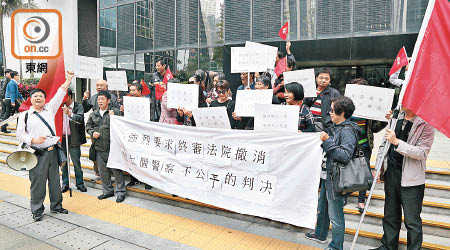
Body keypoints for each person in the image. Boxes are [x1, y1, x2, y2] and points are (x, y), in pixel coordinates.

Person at [371, 107, 434, 250]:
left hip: (411, 178)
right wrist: (379, 167)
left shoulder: (426, 124)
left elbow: (422, 153)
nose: (403, 99)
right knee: (390, 215)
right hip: (391, 173)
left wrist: (397, 142)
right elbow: (384, 145)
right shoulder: (395, 118)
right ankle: (388, 246)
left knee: (412, 221)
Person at [16, 70, 74, 221]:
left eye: (41, 96)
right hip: (36, 154)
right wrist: (33, 140)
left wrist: (68, 80)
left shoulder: (50, 109)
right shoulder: (25, 115)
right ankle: (37, 210)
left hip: (52, 152)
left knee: (55, 181)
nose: (38, 98)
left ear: (45, 99)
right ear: (31, 99)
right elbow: (20, 134)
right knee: (37, 183)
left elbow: (60, 93)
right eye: (35, 96)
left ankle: (56, 206)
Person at [305, 96, 359, 250]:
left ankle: (336, 246)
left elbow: (345, 156)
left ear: (341, 113)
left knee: (336, 216)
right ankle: (320, 234)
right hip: (328, 175)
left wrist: (327, 141)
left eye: (332, 110)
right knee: (323, 207)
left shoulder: (347, 131)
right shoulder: (338, 127)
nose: (329, 113)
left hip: (337, 179)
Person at [348, 78, 387, 213]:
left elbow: (375, 128)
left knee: (363, 172)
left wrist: (385, 119)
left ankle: (361, 200)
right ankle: (345, 194)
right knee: (348, 170)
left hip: (364, 145)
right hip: (348, 145)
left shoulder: (369, 108)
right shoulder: (345, 106)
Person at [86, 91, 126, 203]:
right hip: (99, 147)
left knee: (117, 171)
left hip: (113, 147)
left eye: (102, 99)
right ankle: (107, 191)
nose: (100, 101)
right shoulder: (93, 114)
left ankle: (120, 192)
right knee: (103, 172)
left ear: (108, 100)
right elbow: (88, 127)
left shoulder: (115, 112)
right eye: (98, 99)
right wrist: (92, 132)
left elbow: (124, 126)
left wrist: (116, 118)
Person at [82, 79, 120, 179]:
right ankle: (98, 171)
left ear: (106, 87)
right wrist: (85, 99)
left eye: (101, 85)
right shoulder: (94, 97)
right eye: (97, 85)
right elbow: (85, 109)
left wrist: (114, 113)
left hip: (108, 129)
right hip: (96, 130)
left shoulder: (112, 97)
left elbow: (117, 110)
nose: (98, 87)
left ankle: (110, 172)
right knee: (96, 153)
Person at [60, 88, 87, 193]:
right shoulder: (59, 106)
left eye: (64, 97)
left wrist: (70, 114)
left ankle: (80, 183)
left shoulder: (78, 106)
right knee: (64, 162)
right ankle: (65, 183)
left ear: (70, 96)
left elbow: (80, 118)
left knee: (76, 162)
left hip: (74, 137)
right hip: (62, 138)